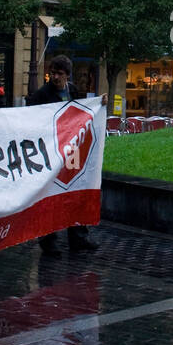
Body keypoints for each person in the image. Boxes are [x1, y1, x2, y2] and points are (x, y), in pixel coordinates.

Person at [26, 56, 104, 254]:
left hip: (71, 151)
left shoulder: (74, 91)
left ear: (67, 75)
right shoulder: (42, 94)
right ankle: (48, 239)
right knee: (51, 194)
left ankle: (78, 236)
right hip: (51, 153)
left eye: (59, 73)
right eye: (53, 73)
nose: (55, 77)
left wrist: (99, 103)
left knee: (74, 192)